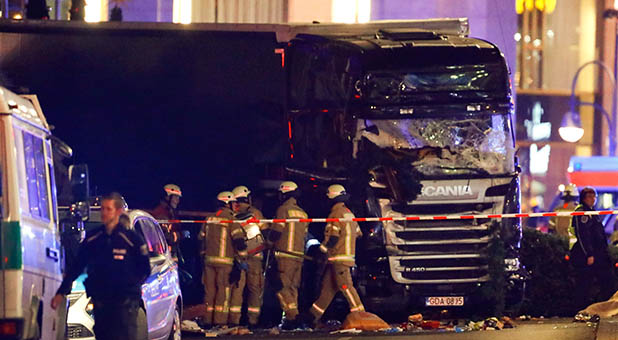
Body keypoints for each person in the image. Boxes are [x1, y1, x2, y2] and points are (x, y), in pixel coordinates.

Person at [51, 192, 150, 340]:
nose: (104, 213)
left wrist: (130, 288)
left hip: (125, 304)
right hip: (101, 302)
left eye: (108, 209)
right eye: (102, 209)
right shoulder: (94, 239)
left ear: (118, 211)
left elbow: (144, 269)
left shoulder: (132, 239)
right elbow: (77, 266)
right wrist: (61, 292)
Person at [304, 184, 364, 327]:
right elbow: (359, 234)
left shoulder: (335, 214)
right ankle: (312, 317)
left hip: (338, 258)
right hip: (344, 257)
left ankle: (361, 315)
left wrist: (321, 251)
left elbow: (333, 238)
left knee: (346, 286)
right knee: (327, 289)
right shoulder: (349, 213)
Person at [265, 181, 309, 330]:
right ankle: (291, 319)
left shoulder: (283, 210)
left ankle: (293, 315)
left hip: (284, 255)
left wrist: (269, 242)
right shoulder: (303, 213)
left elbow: (277, 231)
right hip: (299, 256)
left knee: (281, 286)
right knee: (293, 288)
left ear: (284, 194)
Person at [198, 191, 245, 329]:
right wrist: (242, 258)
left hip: (208, 262)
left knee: (209, 291)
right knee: (223, 293)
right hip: (225, 263)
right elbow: (239, 241)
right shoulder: (231, 219)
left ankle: (207, 320)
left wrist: (203, 254)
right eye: (233, 203)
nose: (235, 206)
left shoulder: (209, 218)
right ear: (227, 203)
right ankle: (220, 321)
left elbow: (201, 238)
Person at [571, 187, 617, 310]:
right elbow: (583, 235)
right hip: (589, 255)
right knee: (584, 284)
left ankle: (608, 307)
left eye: (594, 196)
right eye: (589, 197)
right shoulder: (582, 212)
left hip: (599, 254)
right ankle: (580, 309)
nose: (592, 199)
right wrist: (589, 254)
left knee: (607, 281)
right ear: (583, 198)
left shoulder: (592, 211)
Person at [231, 185, 267, 328]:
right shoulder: (256, 213)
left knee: (237, 289)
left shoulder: (232, 214)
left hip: (238, 257)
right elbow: (265, 231)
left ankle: (234, 320)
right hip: (256, 257)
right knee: (255, 289)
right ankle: (253, 321)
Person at [152, 184, 183, 261]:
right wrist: (180, 235)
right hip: (164, 255)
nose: (178, 200)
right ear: (168, 197)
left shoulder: (170, 212)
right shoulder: (161, 214)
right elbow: (165, 236)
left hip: (169, 253)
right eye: (176, 197)